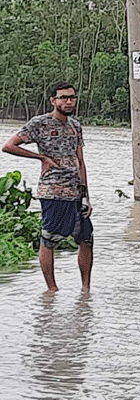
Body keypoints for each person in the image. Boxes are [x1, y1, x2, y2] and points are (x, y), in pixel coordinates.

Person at [2, 82, 93, 292]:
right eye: (63, 97)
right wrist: (41, 157)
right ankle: (52, 289)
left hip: (76, 192)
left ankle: (86, 289)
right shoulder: (39, 123)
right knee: (49, 238)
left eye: (71, 97)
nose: (68, 101)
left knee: (86, 239)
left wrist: (86, 194)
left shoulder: (75, 126)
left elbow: (81, 160)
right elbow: (9, 146)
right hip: (52, 191)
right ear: (53, 101)